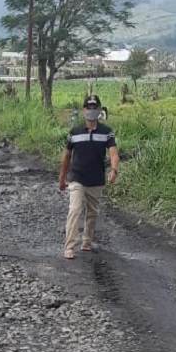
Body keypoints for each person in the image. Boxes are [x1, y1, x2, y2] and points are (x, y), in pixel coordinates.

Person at [58, 93, 119, 259]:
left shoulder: (107, 132)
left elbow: (113, 153)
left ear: (99, 110)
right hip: (77, 177)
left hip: (96, 178)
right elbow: (66, 157)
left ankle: (87, 240)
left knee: (92, 212)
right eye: (88, 108)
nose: (91, 111)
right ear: (83, 110)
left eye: (94, 108)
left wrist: (113, 170)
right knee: (75, 210)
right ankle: (69, 246)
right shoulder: (74, 132)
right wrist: (62, 178)